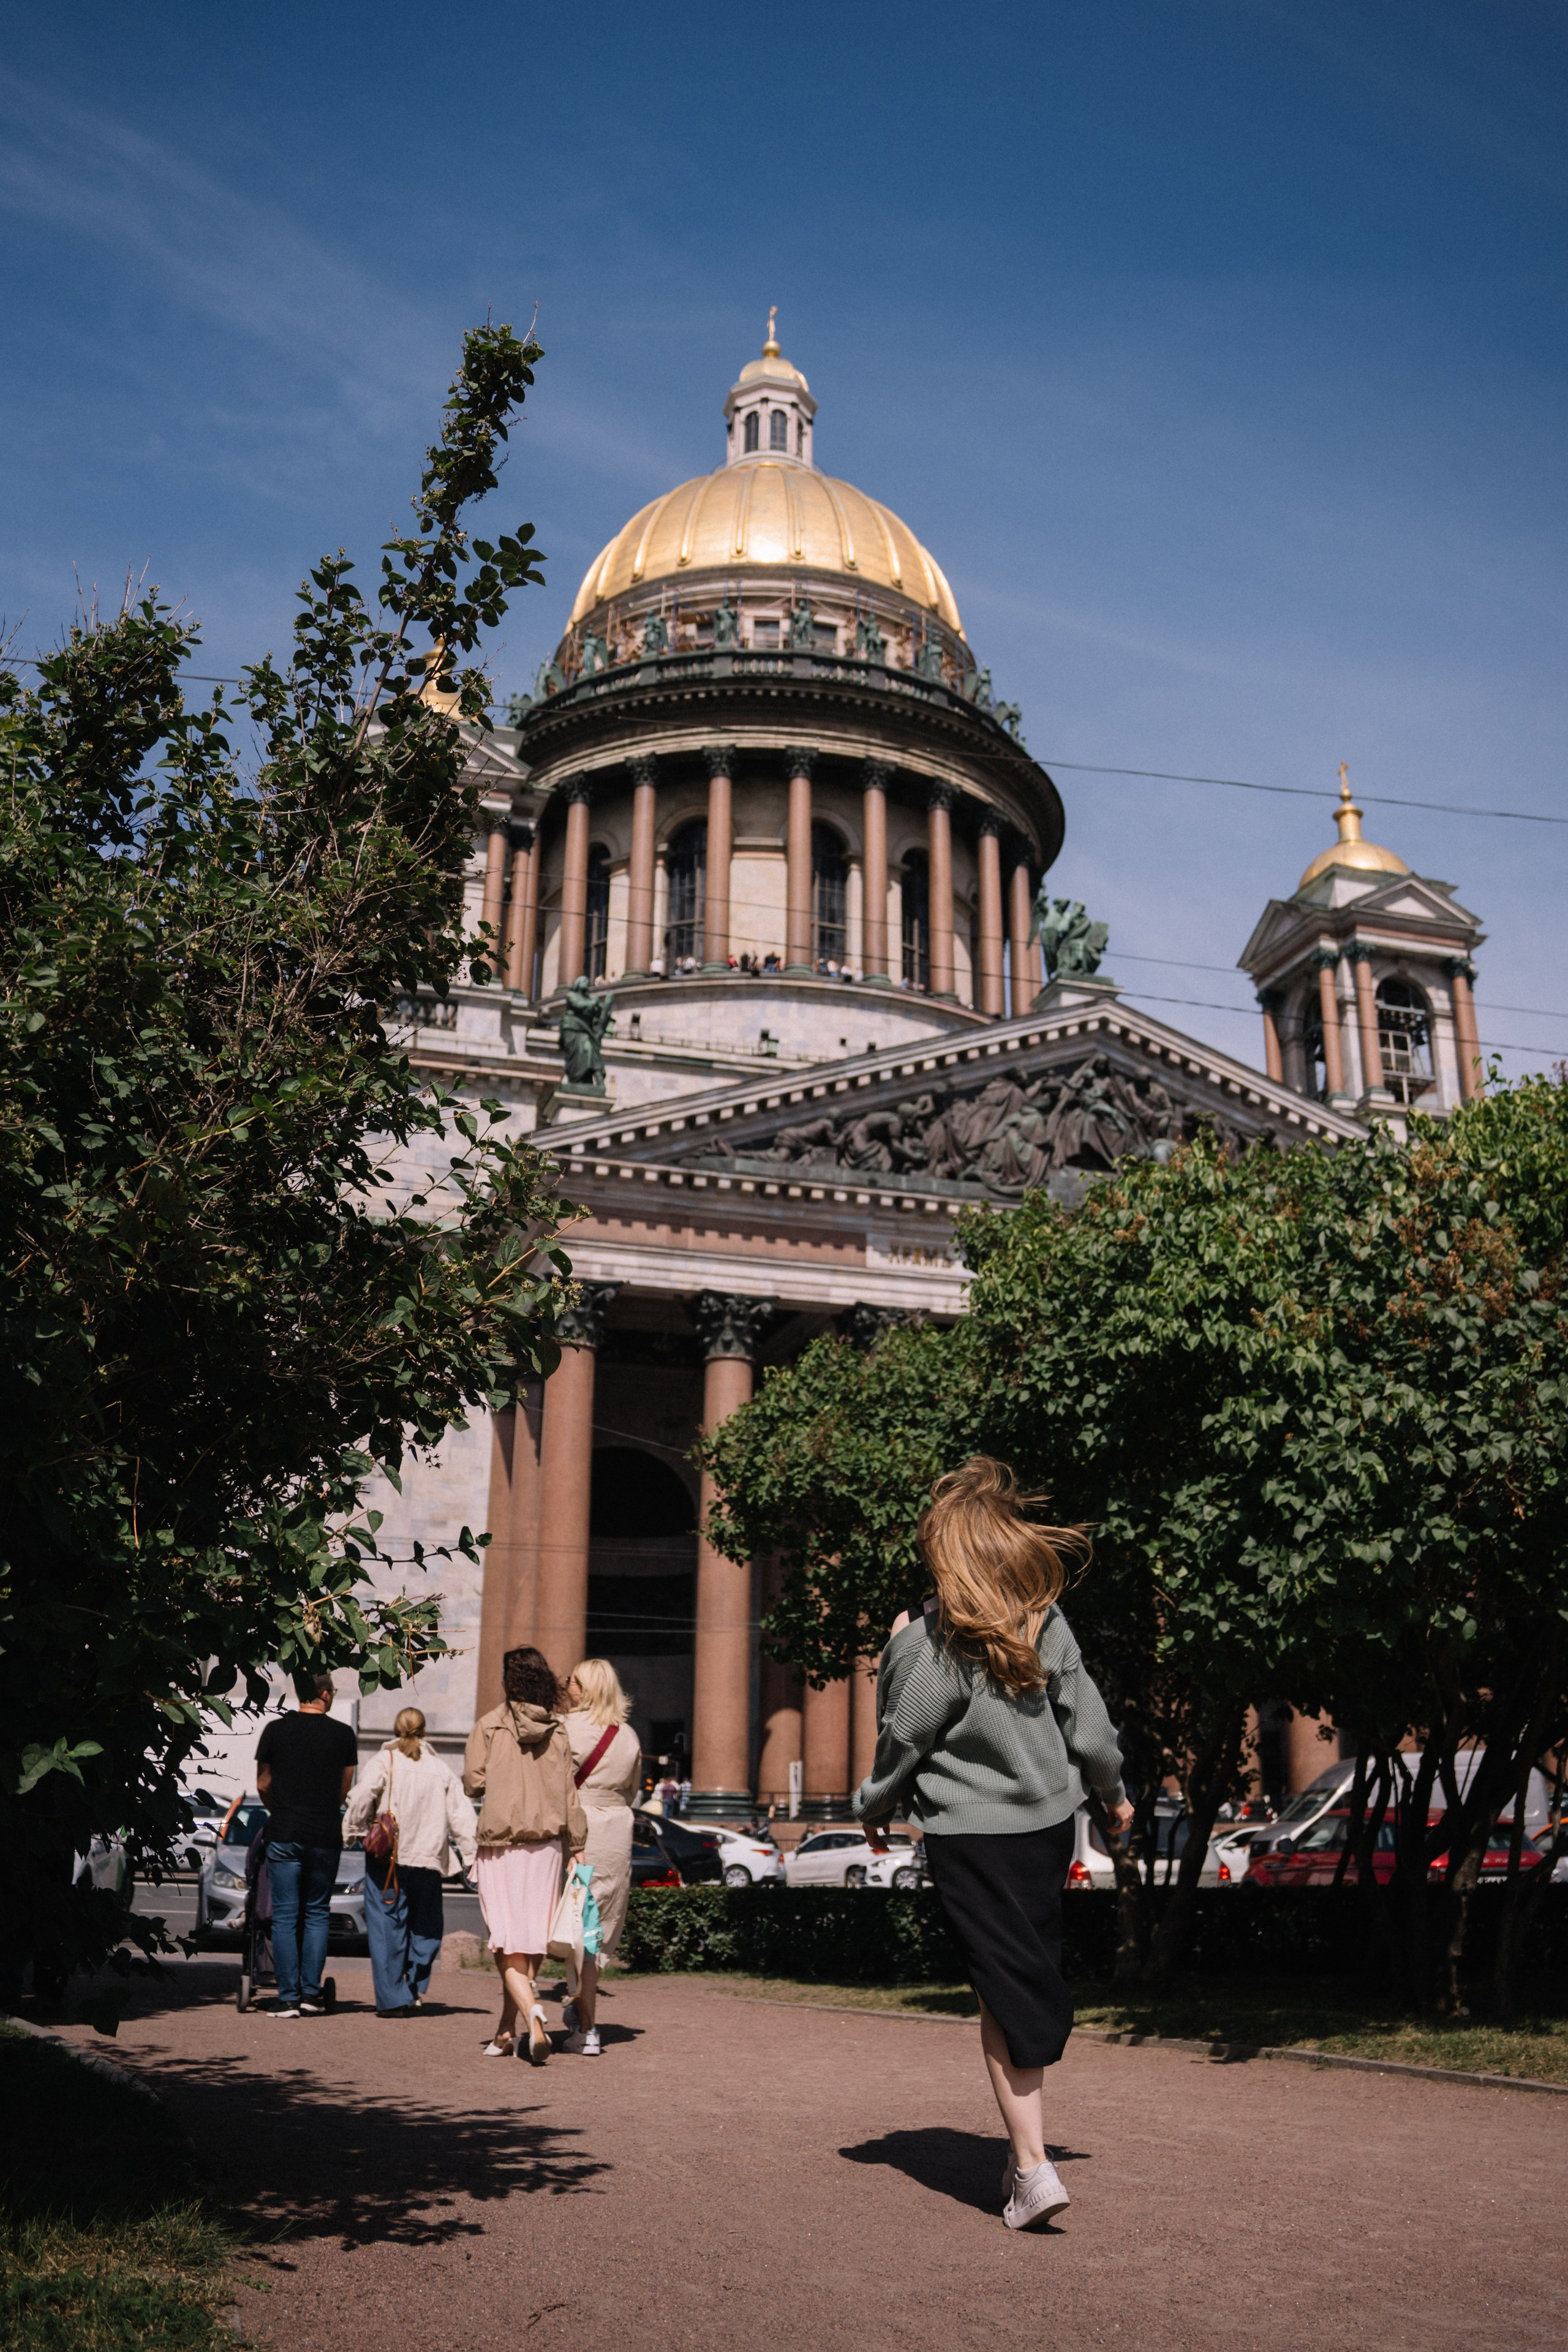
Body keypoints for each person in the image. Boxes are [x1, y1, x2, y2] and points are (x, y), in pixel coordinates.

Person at [853, 1458, 1133, 2233]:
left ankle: (1034, 2168)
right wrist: (1113, 1797)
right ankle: (1028, 2158)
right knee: (1017, 1983)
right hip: (1046, 1829)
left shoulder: (930, 1640)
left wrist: (874, 1803)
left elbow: (902, 1735)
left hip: (968, 1839)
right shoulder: (1044, 1621)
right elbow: (1095, 1732)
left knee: (998, 1992)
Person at [464, 1646, 587, 2065]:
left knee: (504, 1944)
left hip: (502, 1844)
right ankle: (505, 2031)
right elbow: (570, 1794)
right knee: (529, 1944)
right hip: (549, 1846)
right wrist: (580, 1845)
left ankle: (534, 2015)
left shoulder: (490, 1725)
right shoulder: (559, 1729)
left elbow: (473, 1783)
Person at [345, 1707, 478, 2019]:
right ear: (425, 1731)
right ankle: (415, 1983)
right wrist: (470, 1856)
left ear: (395, 1729)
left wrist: (353, 1830)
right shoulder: (440, 1768)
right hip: (429, 1859)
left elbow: (363, 1795)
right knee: (426, 1926)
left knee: (387, 1926)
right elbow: (462, 1815)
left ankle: (394, 1999)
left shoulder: (384, 1762)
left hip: (388, 1859)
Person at [254, 1671, 358, 2018]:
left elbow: (264, 1783)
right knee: (317, 1912)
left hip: (284, 1830)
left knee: (284, 1914)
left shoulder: (276, 1730)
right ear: (326, 1694)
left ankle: (287, 1998)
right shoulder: (343, 1734)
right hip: (325, 1832)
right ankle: (312, 1994)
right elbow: (345, 1787)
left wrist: (280, 1810)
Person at [559, 1660, 643, 2057]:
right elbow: (632, 1791)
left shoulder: (566, 1729)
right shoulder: (627, 1735)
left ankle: (584, 2023)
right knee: (595, 1928)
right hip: (616, 1831)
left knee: (572, 1924)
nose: (566, 1684)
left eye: (572, 1680)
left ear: (586, 1689)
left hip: (579, 1829)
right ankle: (584, 2021)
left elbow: (554, 1786)